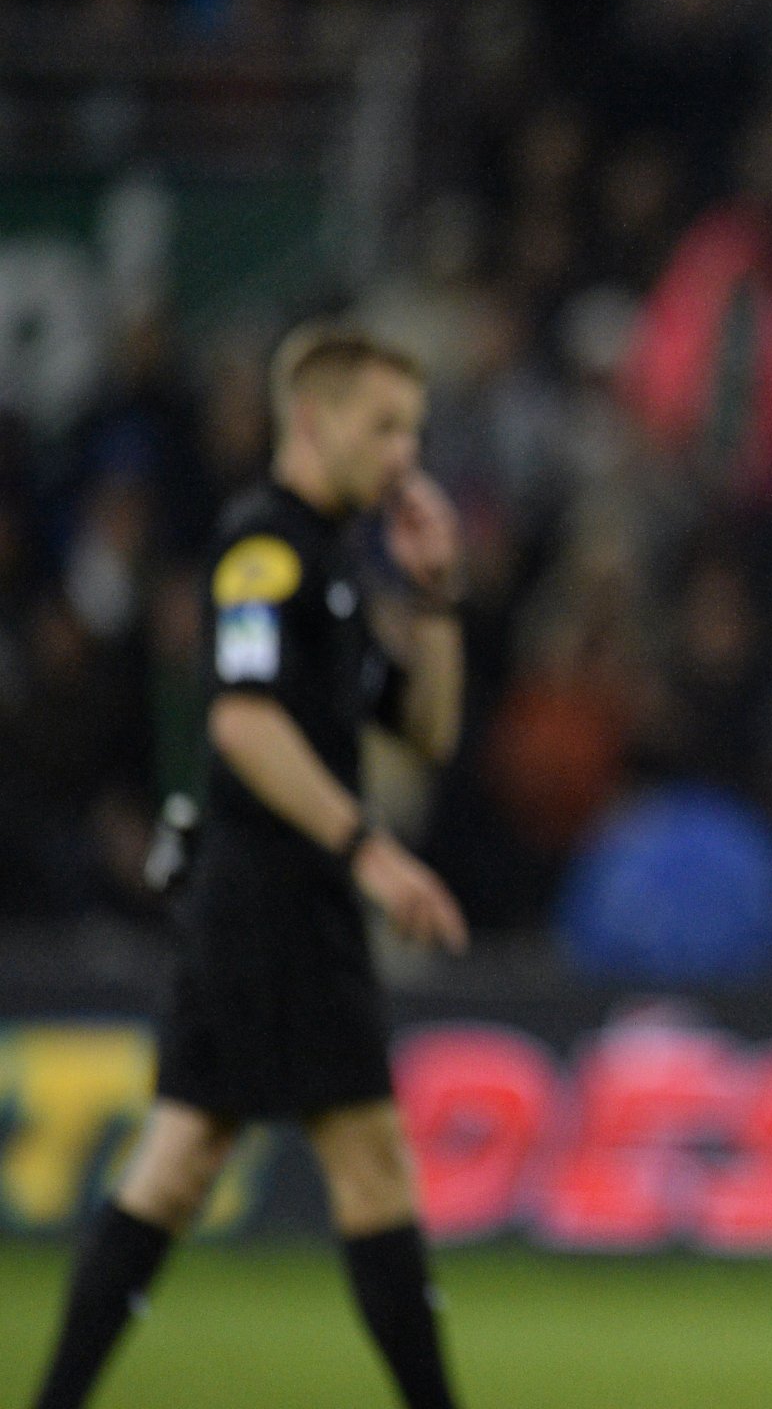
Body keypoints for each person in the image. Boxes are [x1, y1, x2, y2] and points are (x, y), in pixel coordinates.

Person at [29, 325, 472, 1409]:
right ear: (311, 420)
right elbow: (241, 723)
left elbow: (425, 729)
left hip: (264, 895)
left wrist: (438, 595)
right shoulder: (263, 549)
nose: (405, 452)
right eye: (385, 425)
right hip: (275, 895)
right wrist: (367, 849)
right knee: (364, 1160)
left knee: (179, 1159)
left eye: (415, 427)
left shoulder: (332, 564)